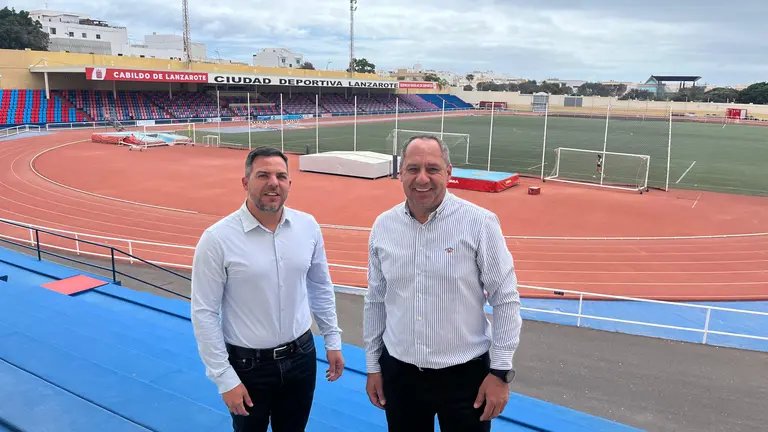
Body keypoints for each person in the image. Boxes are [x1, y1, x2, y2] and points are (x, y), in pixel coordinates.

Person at [363, 135, 523, 432]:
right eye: (412, 169)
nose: (422, 178)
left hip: (466, 379)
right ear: (399, 173)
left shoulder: (479, 223)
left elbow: (505, 298)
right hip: (401, 375)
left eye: (432, 169)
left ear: (449, 172)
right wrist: (373, 365)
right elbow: (376, 299)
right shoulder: (383, 226)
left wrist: (500, 372)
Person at [191, 146, 345, 432]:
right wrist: (225, 378)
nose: (273, 183)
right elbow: (204, 313)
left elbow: (320, 285)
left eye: (280, 176)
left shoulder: (307, 226)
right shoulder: (217, 239)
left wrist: (332, 339)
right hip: (248, 368)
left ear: (289, 184)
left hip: (302, 359)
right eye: (263, 175)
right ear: (245, 182)